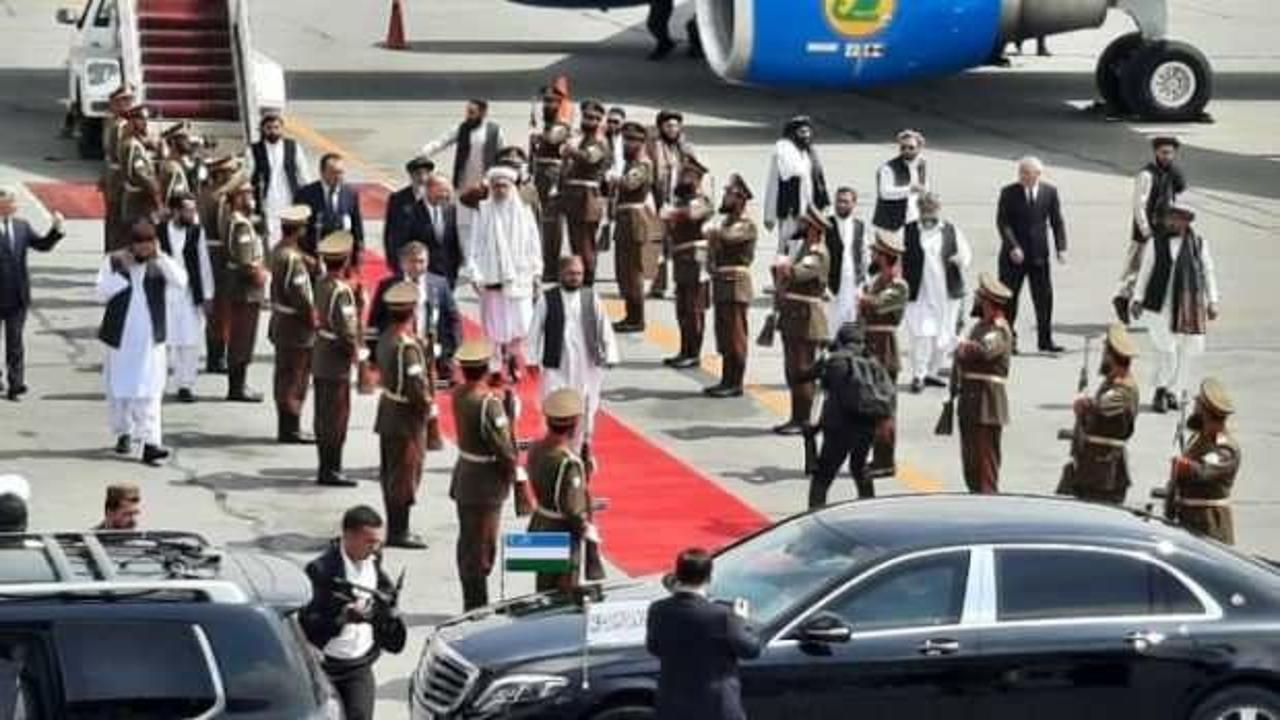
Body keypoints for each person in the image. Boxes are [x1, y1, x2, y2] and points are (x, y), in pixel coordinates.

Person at [301, 505, 407, 720]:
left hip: (359, 665)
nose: (375, 548)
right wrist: (342, 618)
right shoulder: (321, 570)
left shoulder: (374, 561)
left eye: (379, 542)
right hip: (325, 666)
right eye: (369, 542)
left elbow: (383, 595)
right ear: (348, 537)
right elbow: (308, 625)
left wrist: (385, 612)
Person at [95, 220, 188, 466]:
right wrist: (121, 274)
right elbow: (100, 293)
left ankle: (151, 443)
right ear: (132, 245)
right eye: (141, 245)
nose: (145, 250)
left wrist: (162, 258)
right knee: (120, 391)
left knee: (150, 391)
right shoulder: (114, 261)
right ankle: (124, 431)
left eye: (150, 244)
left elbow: (181, 281)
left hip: (150, 340)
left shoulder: (160, 263)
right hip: (121, 339)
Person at [646, 548, 761, 720]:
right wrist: (741, 620)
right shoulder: (723, 615)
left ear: (678, 574)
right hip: (716, 706)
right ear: (709, 578)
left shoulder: (658, 609)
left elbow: (654, 647)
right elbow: (750, 650)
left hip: (673, 703)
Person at [449, 339, 521, 611]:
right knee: (481, 548)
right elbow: (504, 449)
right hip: (485, 483)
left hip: (467, 476)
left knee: (469, 542)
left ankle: (472, 601)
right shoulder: (488, 403)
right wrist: (513, 475)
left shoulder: (460, 393)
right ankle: (476, 607)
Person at [528, 256, 619, 469]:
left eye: (579, 274)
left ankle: (578, 452)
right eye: (571, 274)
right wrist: (531, 359)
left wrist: (611, 354)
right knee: (554, 406)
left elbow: (604, 327)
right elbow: (534, 331)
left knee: (585, 410)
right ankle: (553, 452)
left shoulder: (591, 298)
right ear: (561, 274)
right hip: (557, 365)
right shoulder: (547, 299)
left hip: (587, 365)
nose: (575, 278)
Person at [1131, 202, 1219, 413]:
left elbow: (1208, 272)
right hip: (1160, 305)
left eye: (1177, 217)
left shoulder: (1199, 244)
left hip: (1188, 304)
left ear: (1186, 221)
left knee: (1186, 351)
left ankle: (1173, 391)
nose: (1171, 221)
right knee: (1167, 350)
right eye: (1170, 217)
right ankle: (1160, 389)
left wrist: (1213, 301)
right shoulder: (1155, 242)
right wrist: (1137, 298)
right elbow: (1145, 271)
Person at [465, 166, 543, 382]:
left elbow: (534, 243)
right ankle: (496, 368)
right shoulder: (482, 211)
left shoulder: (524, 210)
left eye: (504, 186)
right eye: (496, 186)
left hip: (520, 277)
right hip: (491, 276)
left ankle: (512, 355)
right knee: (494, 329)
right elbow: (473, 244)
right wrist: (474, 272)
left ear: (511, 187)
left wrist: (537, 272)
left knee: (522, 325)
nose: (500, 190)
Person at [807, 322, 895, 505]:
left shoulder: (835, 361)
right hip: (867, 426)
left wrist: (823, 357)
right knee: (859, 467)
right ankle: (868, 507)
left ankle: (814, 513)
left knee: (823, 476)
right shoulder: (873, 363)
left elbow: (805, 376)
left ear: (840, 340)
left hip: (839, 426)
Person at [525, 388, 603, 592]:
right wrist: (586, 529)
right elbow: (572, 508)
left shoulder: (535, 448)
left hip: (538, 524)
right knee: (562, 597)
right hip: (560, 533)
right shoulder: (568, 462)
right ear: (575, 423)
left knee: (542, 590)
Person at [373, 282, 433, 549]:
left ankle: (397, 526)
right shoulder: (407, 347)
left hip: (389, 411)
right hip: (405, 418)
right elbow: (416, 388)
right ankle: (399, 530)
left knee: (392, 473)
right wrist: (427, 407)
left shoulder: (387, 337)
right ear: (412, 311)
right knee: (404, 476)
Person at [1058, 323, 1139, 505]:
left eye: (1105, 353)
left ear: (1111, 356)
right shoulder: (1112, 382)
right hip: (1092, 465)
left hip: (1104, 468)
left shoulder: (1124, 388)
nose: (1103, 357)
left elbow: (1102, 406)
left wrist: (1085, 405)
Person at [996, 155, 1068, 354]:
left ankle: (1045, 340)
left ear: (1038, 174)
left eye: (1028, 173)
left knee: (1044, 299)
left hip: (1039, 255)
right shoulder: (1008, 193)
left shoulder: (1049, 192)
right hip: (1013, 257)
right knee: (1009, 300)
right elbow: (1003, 223)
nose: (1024, 177)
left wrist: (1061, 247)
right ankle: (1008, 340)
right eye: (1021, 173)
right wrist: (1013, 246)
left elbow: (1057, 222)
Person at [369, 241, 458, 397]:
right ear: (403, 263)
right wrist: (373, 357)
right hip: (398, 355)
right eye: (412, 261)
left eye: (421, 261)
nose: (417, 266)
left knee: (428, 398)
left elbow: (452, 319)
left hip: (431, 355)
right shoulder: (388, 286)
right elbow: (375, 322)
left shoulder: (440, 285)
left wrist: (451, 352)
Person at [903, 192, 972, 393]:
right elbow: (896, 254)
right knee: (922, 335)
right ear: (919, 209)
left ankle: (932, 373)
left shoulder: (950, 230)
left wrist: (960, 260)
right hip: (920, 293)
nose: (928, 212)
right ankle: (918, 375)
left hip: (946, 292)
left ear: (938, 209)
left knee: (944, 336)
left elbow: (966, 253)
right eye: (924, 208)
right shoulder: (908, 231)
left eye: (931, 208)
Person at [0, 187, 64, 401]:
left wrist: (56, 229)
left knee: (15, 343)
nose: (15, 205)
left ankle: (16, 384)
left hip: (17, 296)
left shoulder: (22, 226)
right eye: (11, 201)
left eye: (14, 201)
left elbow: (43, 245)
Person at [1115, 136, 1186, 324]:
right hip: (1147, 231)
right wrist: (1146, 230)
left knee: (1159, 268)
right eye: (1164, 152)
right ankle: (1123, 298)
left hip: (1165, 228)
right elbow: (1139, 205)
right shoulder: (1146, 175)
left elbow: (1180, 189)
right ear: (1156, 152)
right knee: (1138, 267)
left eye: (1170, 153)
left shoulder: (1170, 173)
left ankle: (1141, 303)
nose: (1167, 156)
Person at [955, 273, 1015, 494]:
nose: (976, 300)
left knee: (985, 464)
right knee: (971, 461)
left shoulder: (999, 329)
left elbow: (982, 351)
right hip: (971, 401)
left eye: (979, 297)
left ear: (987, 301)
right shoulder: (979, 327)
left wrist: (964, 348)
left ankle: (988, 503)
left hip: (987, 404)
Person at [774, 207, 831, 435]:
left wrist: (784, 266)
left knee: (802, 369)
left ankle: (803, 419)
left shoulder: (817, 253)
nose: (799, 226)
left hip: (806, 317)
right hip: (794, 315)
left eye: (804, 223)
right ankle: (796, 416)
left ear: (813, 228)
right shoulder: (804, 248)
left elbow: (797, 273)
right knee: (792, 369)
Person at [420, 99, 505, 251]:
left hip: (485, 185)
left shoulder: (495, 131)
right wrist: (424, 153)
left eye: (472, 112)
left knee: (487, 222)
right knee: (463, 223)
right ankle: (465, 255)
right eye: (467, 112)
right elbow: (442, 142)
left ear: (483, 113)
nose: (468, 115)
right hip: (464, 184)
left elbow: (502, 155)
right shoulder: (462, 129)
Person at [313, 231, 362, 487]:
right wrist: (356, 353)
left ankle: (326, 466)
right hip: (335, 360)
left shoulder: (322, 283)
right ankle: (331, 468)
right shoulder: (341, 291)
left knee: (324, 415)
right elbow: (346, 329)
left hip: (322, 354)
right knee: (335, 417)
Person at [859, 231, 909, 479]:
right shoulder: (878, 281)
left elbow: (879, 304)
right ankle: (877, 456)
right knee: (872, 406)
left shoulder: (898, 285)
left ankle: (885, 460)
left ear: (884, 255)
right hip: (871, 344)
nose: (872, 255)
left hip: (885, 348)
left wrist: (863, 298)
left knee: (884, 408)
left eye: (875, 252)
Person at [1169, 378, 1240, 544]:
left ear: (1206, 412)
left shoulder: (1225, 448)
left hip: (1208, 524)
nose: (1194, 409)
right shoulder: (1199, 437)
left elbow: (1204, 470)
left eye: (1197, 405)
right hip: (1188, 517)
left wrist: (1185, 466)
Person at [158, 192, 214, 403]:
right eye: (187, 210)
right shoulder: (160, 231)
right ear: (175, 211)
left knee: (190, 340)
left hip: (190, 293)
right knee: (165, 340)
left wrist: (208, 295)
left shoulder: (196, 232)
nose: (192, 214)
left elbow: (204, 264)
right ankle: (159, 383)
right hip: (165, 292)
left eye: (193, 210)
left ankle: (185, 385)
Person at [705, 173, 757, 398]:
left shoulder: (746, 224)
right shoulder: (727, 223)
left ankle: (735, 382)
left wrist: (713, 232)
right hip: (722, 282)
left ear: (740, 198)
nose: (725, 197)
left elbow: (727, 238)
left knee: (735, 336)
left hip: (736, 284)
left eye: (729, 194)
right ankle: (726, 379)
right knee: (724, 334)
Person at [269, 205, 317, 444]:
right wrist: (312, 320)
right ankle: (291, 428)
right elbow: (300, 296)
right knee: (295, 378)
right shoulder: (291, 259)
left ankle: (287, 426)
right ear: (299, 230)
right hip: (295, 328)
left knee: (286, 375)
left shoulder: (280, 251)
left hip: (283, 323)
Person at [662, 157, 714, 369]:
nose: (682, 179)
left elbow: (693, 214)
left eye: (687, 175)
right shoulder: (681, 201)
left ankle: (694, 352)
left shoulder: (702, 200)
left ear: (697, 178)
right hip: (681, 259)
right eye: (683, 174)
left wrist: (673, 214)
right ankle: (684, 349)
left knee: (694, 308)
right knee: (682, 308)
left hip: (696, 258)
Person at [611, 121, 661, 332]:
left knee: (633, 272)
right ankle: (630, 314)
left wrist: (615, 178)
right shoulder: (631, 163)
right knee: (624, 271)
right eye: (625, 140)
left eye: (632, 140)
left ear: (642, 143)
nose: (627, 144)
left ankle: (636, 318)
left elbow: (630, 184)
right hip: (625, 220)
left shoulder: (643, 164)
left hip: (634, 221)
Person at [223, 179, 267, 403]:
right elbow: (245, 261)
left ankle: (239, 384)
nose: (251, 197)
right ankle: (236, 387)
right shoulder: (240, 224)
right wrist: (260, 274)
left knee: (243, 338)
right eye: (247, 193)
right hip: (245, 291)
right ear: (238, 197)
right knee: (242, 339)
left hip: (244, 290)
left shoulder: (241, 220)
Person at [559, 100, 612, 286]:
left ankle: (588, 279)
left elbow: (589, 158)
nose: (590, 121)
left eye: (595, 118)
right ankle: (577, 276)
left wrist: (570, 150)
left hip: (588, 197)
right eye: (587, 117)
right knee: (575, 241)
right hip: (574, 195)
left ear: (600, 121)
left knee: (585, 243)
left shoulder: (600, 142)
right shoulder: (581, 139)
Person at [645, 109, 696, 298]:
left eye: (675, 125)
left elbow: (696, 173)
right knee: (658, 246)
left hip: (680, 203)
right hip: (659, 200)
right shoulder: (652, 147)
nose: (672, 129)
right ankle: (658, 285)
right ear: (661, 127)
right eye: (668, 126)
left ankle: (681, 285)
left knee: (681, 247)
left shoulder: (686, 148)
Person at [199, 155, 242, 374]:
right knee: (222, 310)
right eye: (229, 173)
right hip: (219, 257)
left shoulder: (205, 193)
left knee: (216, 310)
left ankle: (214, 355)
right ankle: (217, 357)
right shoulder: (220, 199)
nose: (232, 177)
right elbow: (225, 232)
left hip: (208, 253)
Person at [764, 116, 830, 256]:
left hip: (811, 211)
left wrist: (824, 205)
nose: (806, 135)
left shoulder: (811, 154)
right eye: (802, 132)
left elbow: (819, 180)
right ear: (792, 134)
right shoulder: (783, 153)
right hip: (791, 213)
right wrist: (769, 215)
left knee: (811, 249)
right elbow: (773, 184)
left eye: (808, 131)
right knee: (789, 249)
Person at [247, 112, 310, 245]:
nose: (273, 131)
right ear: (263, 129)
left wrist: (308, 197)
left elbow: (303, 174)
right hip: (267, 201)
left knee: (291, 233)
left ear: (282, 129)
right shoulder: (254, 149)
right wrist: (250, 201)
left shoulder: (293, 146)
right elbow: (247, 177)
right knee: (269, 236)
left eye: (276, 127)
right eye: (269, 128)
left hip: (289, 198)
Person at [530, 88, 572, 283]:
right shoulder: (545, 124)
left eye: (552, 101)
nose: (547, 105)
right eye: (545, 101)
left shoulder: (561, 126)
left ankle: (551, 266)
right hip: (539, 174)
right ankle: (539, 262)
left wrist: (539, 134)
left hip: (553, 176)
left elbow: (552, 139)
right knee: (537, 221)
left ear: (559, 104)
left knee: (551, 224)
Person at [295, 153, 364, 264]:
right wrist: (304, 256)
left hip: (342, 256)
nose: (338, 177)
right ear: (322, 173)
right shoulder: (305, 194)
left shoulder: (350, 194)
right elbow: (298, 229)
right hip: (315, 256)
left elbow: (357, 225)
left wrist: (359, 251)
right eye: (334, 172)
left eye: (341, 172)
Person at [824, 186, 869, 338]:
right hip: (832, 283)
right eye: (838, 201)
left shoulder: (859, 226)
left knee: (851, 322)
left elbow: (864, 254)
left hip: (853, 283)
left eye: (845, 201)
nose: (841, 205)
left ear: (853, 204)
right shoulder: (826, 224)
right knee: (832, 323)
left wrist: (864, 281)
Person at [117, 103, 161, 239]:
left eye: (146, 119)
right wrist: (157, 195)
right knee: (140, 239)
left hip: (137, 201)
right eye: (141, 119)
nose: (145, 123)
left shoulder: (133, 142)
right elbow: (141, 175)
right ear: (132, 122)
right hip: (138, 202)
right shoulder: (132, 146)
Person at [384, 155, 434, 272]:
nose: (422, 178)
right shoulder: (398, 199)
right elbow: (389, 230)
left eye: (426, 174)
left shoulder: (435, 197)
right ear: (411, 176)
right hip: (403, 258)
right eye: (418, 174)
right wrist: (390, 256)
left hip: (429, 260)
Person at [872, 130, 928, 233]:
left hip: (914, 219)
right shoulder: (888, 168)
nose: (906, 150)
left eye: (911, 147)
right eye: (903, 147)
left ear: (920, 148)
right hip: (890, 223)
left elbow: (924, 187)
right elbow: (885, 193)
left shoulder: (921, 164)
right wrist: (910, 189)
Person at [100, 84, 134, 252]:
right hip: (118, 177)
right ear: (114, 103)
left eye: (130, 100)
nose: (128, 104)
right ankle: (114, 252)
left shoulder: (114, 121)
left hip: (113, 174)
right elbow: (118, 153)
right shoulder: (119, 125)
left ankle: (113, 250)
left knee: (115, 217)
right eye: (124, 100)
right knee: (117, 217)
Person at [158, 122, 203, 206]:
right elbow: (177, 198)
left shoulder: (175, 164)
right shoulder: (172, 166)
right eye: (183, 139)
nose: (188, 142)